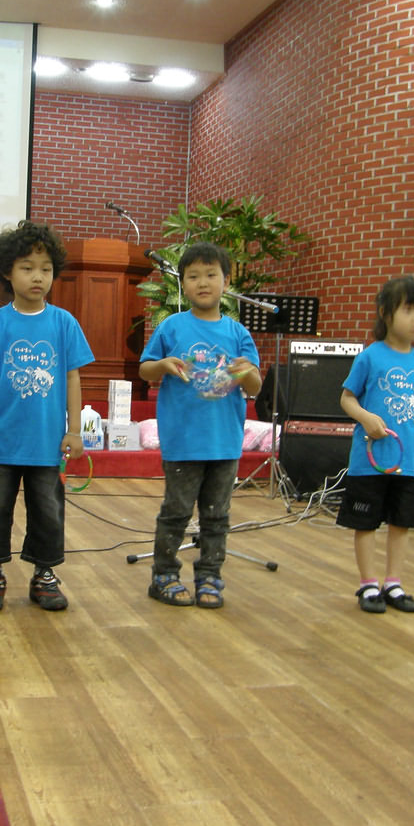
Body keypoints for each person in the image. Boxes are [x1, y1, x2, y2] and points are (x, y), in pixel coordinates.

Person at [0, 220, 94, 611]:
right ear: (7, 272)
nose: (38, 276)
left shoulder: (64, 323)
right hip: (1, 443)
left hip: (47, 443)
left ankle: (44, 576)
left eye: (45, 268)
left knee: (49, 513)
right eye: (27, 267)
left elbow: (72, 379)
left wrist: (74, 431)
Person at [139, 243, 262, 608]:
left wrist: (247, 373)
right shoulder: (172, 326)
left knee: (217, 516)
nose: (202, 283)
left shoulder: (238, 333)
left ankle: (210, 576)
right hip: (183, 441)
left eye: (211, 275)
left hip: (224, 442)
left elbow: (254, 387)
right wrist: (163, 365)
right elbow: (146, 370)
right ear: (184, 283)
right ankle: (164, 575)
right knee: (175, 512)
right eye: (193, 276)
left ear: (227, 281)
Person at [337, 275, 414, 614]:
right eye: (409, 310)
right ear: (386, 313)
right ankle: (368, 583)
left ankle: (393, 583)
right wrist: (366, 418)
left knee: (401, 525)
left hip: (407, 464)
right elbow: (347, 398)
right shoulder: (371, 357)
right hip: (369, 462)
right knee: (365, 523)